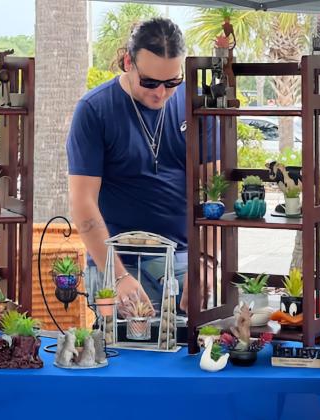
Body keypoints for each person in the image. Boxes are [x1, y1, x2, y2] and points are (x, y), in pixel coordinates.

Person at [66, 18, 190, 313]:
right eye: (149, 82)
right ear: (127, 62)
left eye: (172, 82)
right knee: (124, 356)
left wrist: (207, 263)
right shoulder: (94, 109)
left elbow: (214, 190)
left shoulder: (192, 101)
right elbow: (82, 202)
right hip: (118, 263)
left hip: (186, 260)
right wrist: (117, 275)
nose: (160, 93)